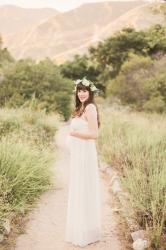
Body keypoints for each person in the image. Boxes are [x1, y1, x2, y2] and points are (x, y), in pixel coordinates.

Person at [65, 77, 101, 247]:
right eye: (79, 91)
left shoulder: (91, 107)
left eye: (85, 91)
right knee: (78, 188)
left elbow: (94, 134)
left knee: (85, 188)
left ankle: (87, 231)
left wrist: (74, 134)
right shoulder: (79, 108)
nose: (81, 94)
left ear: (90, 92)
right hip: (78, 155)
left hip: (86, 154)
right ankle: (78, 228)